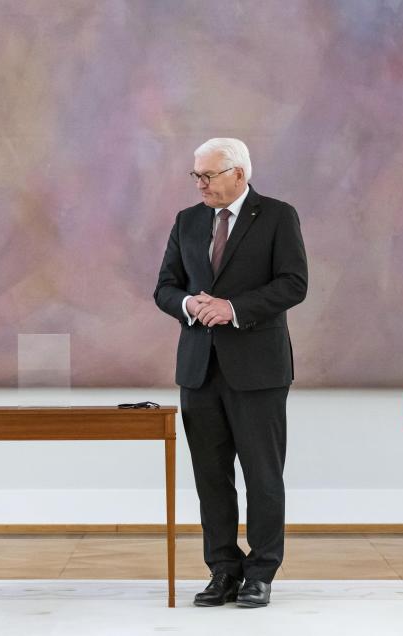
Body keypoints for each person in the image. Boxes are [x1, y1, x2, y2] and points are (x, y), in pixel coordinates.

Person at [154, 138, 307, 608]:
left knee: (263, 475)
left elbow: (293, 284)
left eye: (208, 176)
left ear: (238, 174)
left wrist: (234, 308)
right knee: (210, 476)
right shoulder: (188, 221)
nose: (200, 185)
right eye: (196, 176)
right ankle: (222, 569)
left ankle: (261, 572)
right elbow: (165, 287)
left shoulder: (278, 215)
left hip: (258, 370)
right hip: (199, 370)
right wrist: (187, 304)